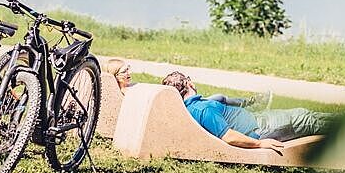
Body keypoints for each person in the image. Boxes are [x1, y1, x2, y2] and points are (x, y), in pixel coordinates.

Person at [162, 71, 345, 150]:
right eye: (190, 80)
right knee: (304, 119)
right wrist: (260, 143)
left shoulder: (193, 107)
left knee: (304, 114)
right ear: (188, 83)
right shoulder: (202, 109)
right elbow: (228, 136)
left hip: (258, 120)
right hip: (260, 130)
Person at [105, 59, 272, 110]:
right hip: (172, 110)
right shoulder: (126, 93)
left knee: (217, 99)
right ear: (116, 76)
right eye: (124, 72)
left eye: (128, 69)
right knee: (217, 99)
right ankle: (252, 104)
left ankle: (250, 104)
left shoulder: (129, 87)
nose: (128, 73)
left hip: (171, 105)